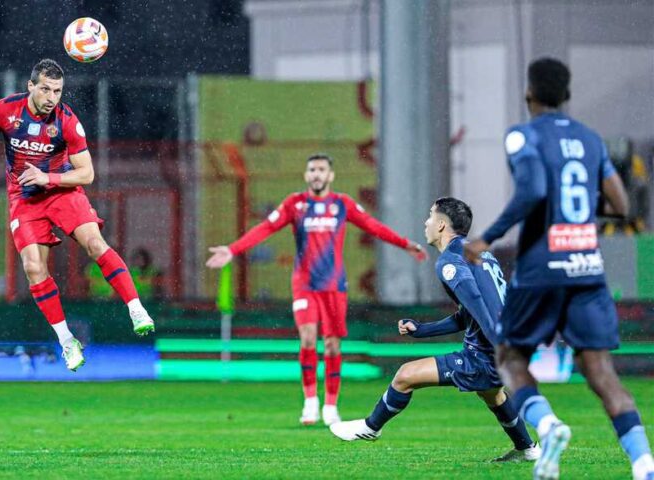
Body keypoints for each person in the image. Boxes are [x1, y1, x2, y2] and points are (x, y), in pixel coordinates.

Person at [464, 57, 654, 480]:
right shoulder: (591, 139)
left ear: (528, 93)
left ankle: (548, 428)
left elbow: (531, 189)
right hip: (586, 268)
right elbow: (623, 207)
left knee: (510, 357)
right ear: (566, 96)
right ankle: (644, 464)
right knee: (601, 372)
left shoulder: (522, 136)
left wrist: (487, 237)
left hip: (541, 269)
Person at [0, 59, 155, 372]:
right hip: (24, 198)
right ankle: (66, 341)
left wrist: (48, 178)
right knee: (34, 267)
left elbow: (86, 173)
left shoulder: (67, 121)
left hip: (61, 190)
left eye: (58, 91)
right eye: (46, 89)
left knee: (94, 243)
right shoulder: (2, 111)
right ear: (30, 87)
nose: (52, 97)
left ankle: (135, 308)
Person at [205, 153, 427, 426]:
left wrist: (405, 244)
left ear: (331, 175)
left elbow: (373, 226)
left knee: (333, 345)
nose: (317, 174)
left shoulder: (341, 204)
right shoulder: (295, 204)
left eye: (322, 170)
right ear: (306, 175)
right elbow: (266, 228)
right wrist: (233, 249)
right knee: (308, 338)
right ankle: (310, 401)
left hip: (334, 285)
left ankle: (331, 404)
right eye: (312, 170)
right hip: (304, 284)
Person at [330, 197, 540, 462]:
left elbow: (476, 304)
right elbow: (469, 314)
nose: (426, 222)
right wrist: (422, 330)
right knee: (492, 394)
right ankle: (527, 448)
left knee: (405, 376)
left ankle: (370, 427)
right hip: (503, 345)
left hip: (487, 355)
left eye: (430, 216)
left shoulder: (449, 261)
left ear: (442, 225)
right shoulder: (480, 253)